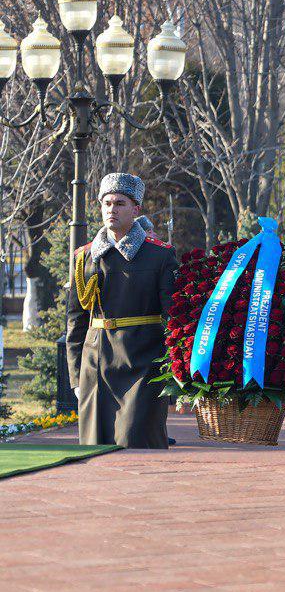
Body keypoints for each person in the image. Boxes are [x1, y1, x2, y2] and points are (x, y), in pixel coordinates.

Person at [67, 173, 178, 448]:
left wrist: (178, 370)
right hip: (96, 366)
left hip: (143, 364)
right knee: (94, 448)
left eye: (119, 203)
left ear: (136, 209)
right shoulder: (85, 256)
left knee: (138, 442)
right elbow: (76, 320)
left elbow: (174, 318)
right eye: (106, 204)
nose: (111, 210)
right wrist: (75, 376)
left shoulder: (160, 255)